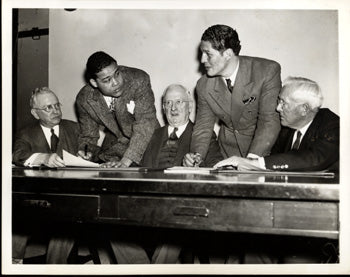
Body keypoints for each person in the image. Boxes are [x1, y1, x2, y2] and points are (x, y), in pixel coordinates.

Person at [183, 24, 281, 167]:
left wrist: (251, 161)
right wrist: (196, 156)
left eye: (208, 54)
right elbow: (203, 127)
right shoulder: (203, 85)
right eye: (202, 53)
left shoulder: (266, 71)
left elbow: (269, 122)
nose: (202, 59)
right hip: (227, 153)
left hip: (263, 152)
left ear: (228, 54)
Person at [214, 76, 339, 172]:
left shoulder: (333, 125)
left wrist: (254, 163)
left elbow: (314, 159)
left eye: (284, 103)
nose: (278, 108)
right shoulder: (286, 129)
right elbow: (273, 159)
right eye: (279, 101)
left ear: (304, 109)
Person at [12, 87, 79, 263]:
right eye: (48, 107)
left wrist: (88, 154)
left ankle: (54, 266)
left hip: (70, 194)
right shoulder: (26, 133)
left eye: (57, 105)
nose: (56, 111)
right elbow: (17, 155)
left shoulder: (73, 128)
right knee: (20, 215)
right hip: (38, 194)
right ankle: (12, 262)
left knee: (68, 220)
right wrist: (43, 157)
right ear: (35, 113)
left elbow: (93, 149)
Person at [76, 51, 160, 167]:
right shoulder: (84, 99)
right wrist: (86, 153)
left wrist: (125, 162)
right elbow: (88, 136)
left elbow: (145, 123)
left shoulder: (138, 80)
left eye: (117, 74)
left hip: (148, 143)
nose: (116, 82)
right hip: (115, 148)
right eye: (107, 80)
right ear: (94, 82)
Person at [142, 84, 223, 168]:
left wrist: (197, 165)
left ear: (190, 106)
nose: (173, 108)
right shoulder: (152, 134)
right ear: (164, 108)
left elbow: (216, 166)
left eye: (178, 102)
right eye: (168, 103)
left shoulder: (204, 136)